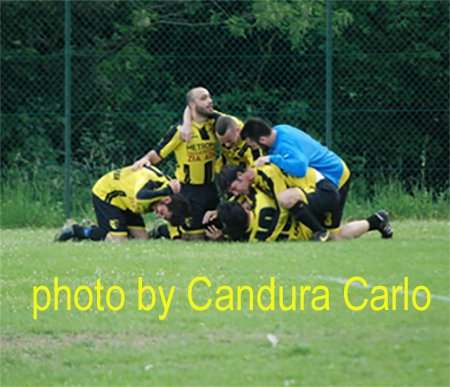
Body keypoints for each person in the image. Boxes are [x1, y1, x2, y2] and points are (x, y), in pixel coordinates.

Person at [132, 87, 241, 240]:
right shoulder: (180, 130)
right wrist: (146, 160)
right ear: (193, 105)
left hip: (210, 188)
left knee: (215, 233)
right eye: (203, 98)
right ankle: (160, 231)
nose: (210, 101)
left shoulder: (215, 122)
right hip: (189, 191)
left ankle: (162, 230)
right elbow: (158, 152)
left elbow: (234, 123)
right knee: (195, 238)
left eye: (209, 97)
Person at [240, 118, 351, 235]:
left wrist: (271, 159)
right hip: (331, 171)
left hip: (335, 176)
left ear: (262, 139)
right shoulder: (278, 130)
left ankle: (322, 231)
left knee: (334, 235)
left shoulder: (284, 145)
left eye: (254, 146)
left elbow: (300, 168)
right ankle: (320, 231)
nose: (256, 150)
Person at [55, 165, 190, 242]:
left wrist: (177, 237)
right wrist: (166, 190)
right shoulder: (151, 184)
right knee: (118, 240)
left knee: (142, 239)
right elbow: (140, 196)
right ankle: (77, 230)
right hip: (107, 194)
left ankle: (109, 228)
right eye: (162, 212)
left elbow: (175, 220)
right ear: (166, 199)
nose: (158, 214)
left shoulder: (171, 198)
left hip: (127, 202)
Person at [219, 163, 340, 241]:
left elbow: (283, 211)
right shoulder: (254, 183)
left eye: (234, 188)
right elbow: (235, 203)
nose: (235, 193)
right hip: (305, 201)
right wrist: (217, 212)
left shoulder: (268, 175)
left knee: (285, 198)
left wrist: (270, 237)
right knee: (337, 236)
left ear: (240, 176)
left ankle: (319, 231)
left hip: (318, 188)